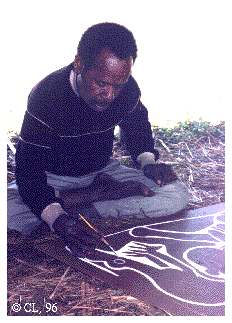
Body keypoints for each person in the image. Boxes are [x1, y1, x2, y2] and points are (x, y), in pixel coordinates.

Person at [7, 22, 188, 256]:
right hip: (52, 178)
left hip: (102, 171)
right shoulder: (47, 96)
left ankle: (88, 207)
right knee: (7, 210)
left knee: (176, 195)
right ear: (79, 64)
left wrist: (148, 162)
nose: (110, 95)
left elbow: (137, 125)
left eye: (118, 85)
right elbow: (28, 171)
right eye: (101, 83)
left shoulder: (127, 90)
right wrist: (58, 220)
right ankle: (93, 197)